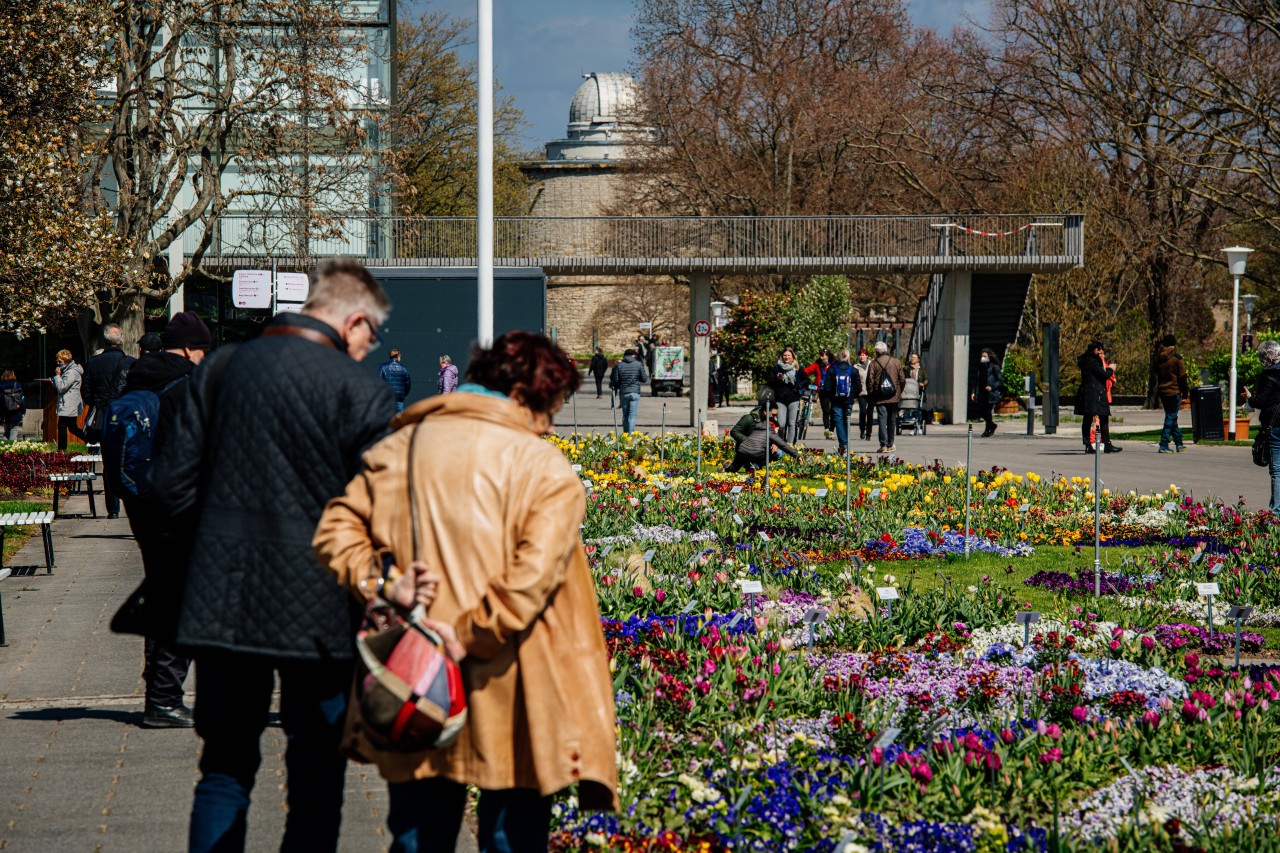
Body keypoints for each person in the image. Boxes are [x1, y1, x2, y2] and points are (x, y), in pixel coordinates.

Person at [313, 331, 618, 852]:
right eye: (551, 410)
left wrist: (384, 583)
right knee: (511, 837)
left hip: (417, 679)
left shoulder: (399, 448)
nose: (548, 425)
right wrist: (467, 634)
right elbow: (531, 579)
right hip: (518, 680)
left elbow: (333, 531)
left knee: (416, 836)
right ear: (525, 396)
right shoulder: (543, 467)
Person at [150, 257, 396, 853]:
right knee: (317, 770)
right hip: (322, 607)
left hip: (224, 598)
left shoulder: (220, 370)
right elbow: (388, 508)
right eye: (371, 334)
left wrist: (209, 548)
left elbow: (168, 489)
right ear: (352, 319)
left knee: (224, 768)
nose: (369, 347)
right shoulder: (362, 388)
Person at [118, 312, 213, 728]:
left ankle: (158, 688)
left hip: (141, 506)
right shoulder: (188, 388)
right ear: (191, 348)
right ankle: (163, 698)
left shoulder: (138, 380)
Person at [85, 324, 134, 518]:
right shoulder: (131, 363)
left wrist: (99, 402)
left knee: (109, 464)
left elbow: (86, 394)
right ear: (120, 339)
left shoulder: (93, 363)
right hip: (126, 416)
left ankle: (112, 509)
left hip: (104, 417)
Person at [1243, 339, 1280, 511]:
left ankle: (1276, 511)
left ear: (1268, 359)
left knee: (1277, 471)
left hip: (1275, 426)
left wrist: (1249, 398)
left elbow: (1260, 401)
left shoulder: (1270, 374)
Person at [725, 398, 800, 472]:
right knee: (735, 467)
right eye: (773, 415)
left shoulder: (771, 421)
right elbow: (734, 432)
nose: (775, 418)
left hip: (755, 449)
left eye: (776, 415)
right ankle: (751, 465)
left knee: (778, 453)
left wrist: (774, 443)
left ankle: (753, 465)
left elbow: (775, 438)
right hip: (746, 448)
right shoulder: (749, 418)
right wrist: (749, 441)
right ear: (765, 412)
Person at [1075, 340, 1121, 453]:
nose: (1101, 351)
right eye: (1099, 349)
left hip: (1095, 392)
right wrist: (1111, 368)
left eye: (1102, 349)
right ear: (1094, 350)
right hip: (1094, 393)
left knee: (1101, 417)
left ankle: (1104, 443)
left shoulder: (1091, 360)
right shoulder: (1091, 361)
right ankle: (1090, 444)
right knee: (1091, 418)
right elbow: (1104, 374)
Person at [865, 342, 905, 454]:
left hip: (880, 397)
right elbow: (902, 379)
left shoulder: (873, 364)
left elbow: (870, 382)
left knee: (882, 420)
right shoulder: (896, 362)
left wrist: (872, 394)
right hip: (893, 396)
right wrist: (899, 392)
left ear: (876, 351)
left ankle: (883, 445)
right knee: (892, 420)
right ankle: (890, 443)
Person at [768, 347, 809, 444]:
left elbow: (806, 380)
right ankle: (781, 443)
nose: (786, 357)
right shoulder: (777, 367)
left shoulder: (798, 368)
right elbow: (769, 381)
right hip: (780, 399)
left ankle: (790, 446)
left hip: (793, 398)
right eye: (785, 355)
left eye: (788, 355)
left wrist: (798, 387)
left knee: (791, 423)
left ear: (792, 356)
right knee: (781, 424)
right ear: (782, 356)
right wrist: (777, 379)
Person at [1155, 334, 1189, 453]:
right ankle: (1163, 444)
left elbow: (1156, 373)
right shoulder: (1177, 358)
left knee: (1172, 417)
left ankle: (1179, 443)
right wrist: (1185, 393)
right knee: (1170, 417)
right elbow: (1182, 377)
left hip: (1163, 391)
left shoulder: (1159, 358)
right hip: (1174, 391)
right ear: (1174, 344)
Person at [823, 349, 861, 455]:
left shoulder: (832, 369)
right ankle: (845, 444)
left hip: (836, 400)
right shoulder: (853, 370)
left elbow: (827, 387)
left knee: (838, 420)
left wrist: (832, 396)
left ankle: (843, 444)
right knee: (846, 421)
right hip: (848, 400)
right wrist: (853, 396)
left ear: (838, 357)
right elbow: (858, 387)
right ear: (848, 358)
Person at [52, 349, 85, 451]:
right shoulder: (71, 371)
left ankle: (61, 450)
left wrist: (57, 376)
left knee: (62, 426)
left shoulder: (70, 372)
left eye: (60, 362)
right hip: (71, 402)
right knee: (72, 427)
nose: (58, 364)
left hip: (68, 403)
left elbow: (62, 387)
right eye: (57, 361)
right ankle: (91, 440)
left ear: (66, 361)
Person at [610, 347, 649, 433]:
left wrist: (621, 384)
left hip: (624, 392)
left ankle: (626, 435)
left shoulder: (619, 365)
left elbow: (615, 380)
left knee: (625, 416)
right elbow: (644, 379)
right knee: (633, 416)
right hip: (635, 392)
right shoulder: (638, 364)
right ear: (633, 355)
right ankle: (631, 435)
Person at [970, 348, 1003, 437]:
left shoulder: (994, 367)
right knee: (981, 410)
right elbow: (977, 380)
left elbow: (1000, 381)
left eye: (984, 356)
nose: (982, 358)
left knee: (987, 411)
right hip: (981, 393)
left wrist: (992, 387)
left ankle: (988, 429)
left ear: (989, 357)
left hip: (990, 394)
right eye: (982, 356)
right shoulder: (981, 367)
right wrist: (973, 392)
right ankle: (992, 425)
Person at [805, 349, 834, 439]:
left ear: (828, 356)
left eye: (823, 355)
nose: (821, 357)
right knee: (826, 411)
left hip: (833, 390)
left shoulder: (833, 364)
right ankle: (827, 430)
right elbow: (807, 371)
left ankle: (832, 430)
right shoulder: (817, 365)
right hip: (822, 390)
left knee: (833, 411)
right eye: (820, 355)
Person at [379, 349, 412, 413]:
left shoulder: (382, 367)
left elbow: (379, 382)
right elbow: (408, 384)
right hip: (399, 399)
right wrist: (403, 395)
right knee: (398, 420)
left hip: (387, 398)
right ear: (398, 357)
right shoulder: (403, 368)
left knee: (388, 420)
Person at [854, 349, 872, 442]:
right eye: (860, 355)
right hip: (861, 393)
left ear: (867, 356)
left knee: (870, 413)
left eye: (864, 355)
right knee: (863, 411)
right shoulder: (856, 367)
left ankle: (869, 433)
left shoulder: (872, 364)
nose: (862, 357)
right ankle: (862, 430)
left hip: (871, 392)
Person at [1, 370, 24, 440]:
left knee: (6, 433)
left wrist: (2, 416)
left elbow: (0, 402)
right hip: (16, 413)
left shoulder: (1, 386)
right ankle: (12, 450)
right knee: (13, 433)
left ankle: (3, 449)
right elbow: (21, 399)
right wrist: (23, 411)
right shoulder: (17, 385)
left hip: (5, 414)